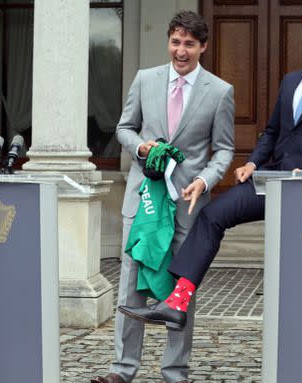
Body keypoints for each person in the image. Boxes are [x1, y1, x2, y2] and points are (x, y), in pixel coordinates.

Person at [119, 9, 302, 330]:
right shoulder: (292, 81)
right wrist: (252, 162)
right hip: (270, 181)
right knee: (212, 215)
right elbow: (274, 132)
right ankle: (176, 302)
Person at [91, 10, 235, 383]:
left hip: (188, 205)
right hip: (144, 201)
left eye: (189, 43)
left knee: (181, 289)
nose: (181, 51)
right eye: (175, 42)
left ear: (203, 46)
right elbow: (125, 127)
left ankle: (175, 370)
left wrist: (205, 180)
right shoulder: (145, 80)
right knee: (131, 281)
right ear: (168, 42)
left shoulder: (220, 92)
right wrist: (141, 149)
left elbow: (223, 150)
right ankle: (122, 369)